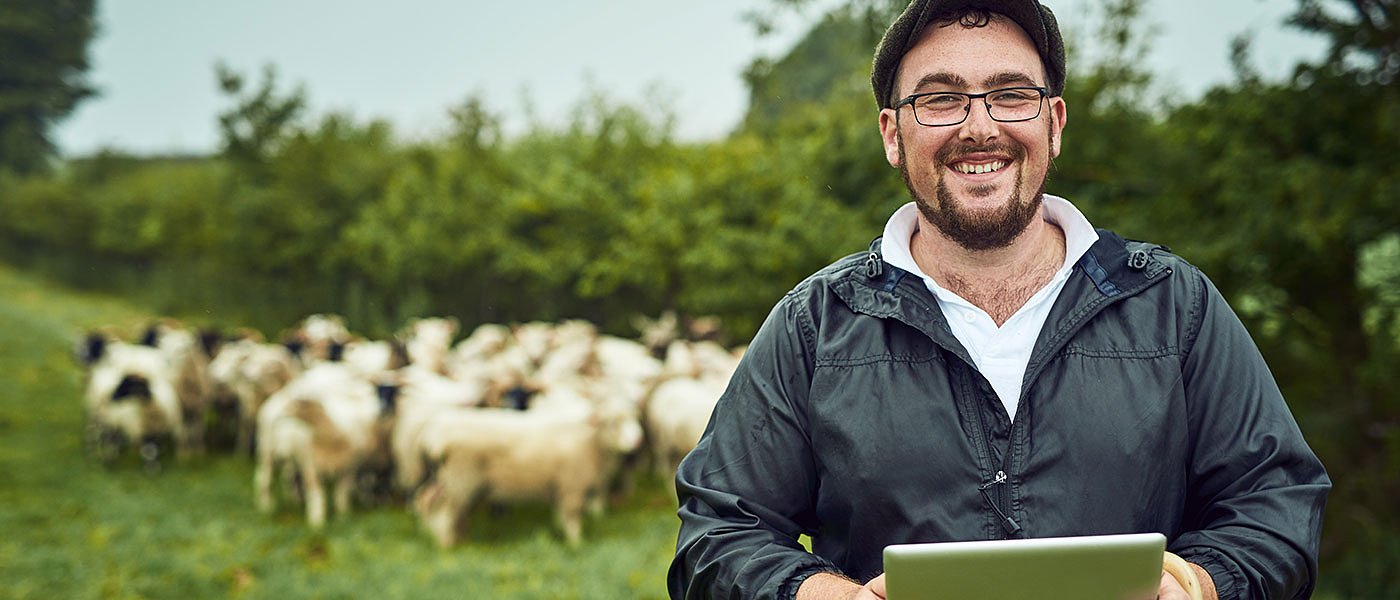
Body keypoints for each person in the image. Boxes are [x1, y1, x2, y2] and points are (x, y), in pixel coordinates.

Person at [667, 1, 1331, 599]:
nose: (979, 126)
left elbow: (1276, 501)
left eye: (1011, 95)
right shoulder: (814, 325)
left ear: (1055, 123)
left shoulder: (1174, 305)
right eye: (940, 99)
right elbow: (719, 533)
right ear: (893, 134)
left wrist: (1195, 584)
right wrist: (829, 598)